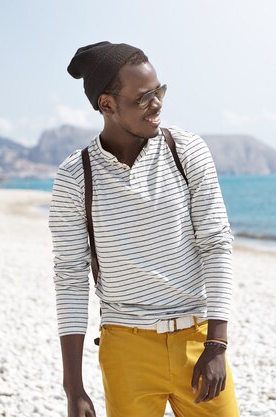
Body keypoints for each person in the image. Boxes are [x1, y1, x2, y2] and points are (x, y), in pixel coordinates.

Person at [48, 41, 240, 417]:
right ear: (107, 104)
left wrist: (217, 344)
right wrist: (74, 388)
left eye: (159, 92)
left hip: (198, 338)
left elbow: (216, 245)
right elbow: (69, 278)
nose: (157, 105)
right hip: (126, 349)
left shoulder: (186, 150)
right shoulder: (75, 177)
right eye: (143, 98)